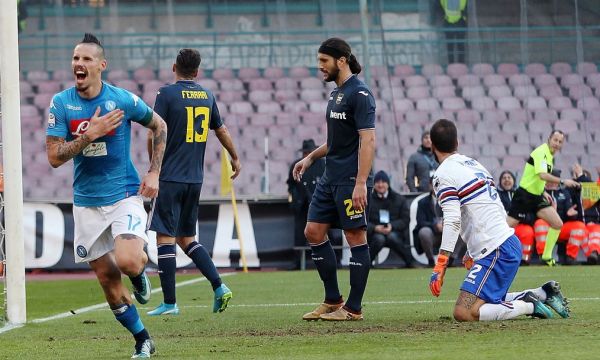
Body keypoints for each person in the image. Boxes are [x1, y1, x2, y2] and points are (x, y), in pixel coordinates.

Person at [46, 33, 167, 358]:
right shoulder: (61, 103)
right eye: (75, 58)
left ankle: (140, 274)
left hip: (124, 194)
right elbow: (55, 158)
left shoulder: (123, 100)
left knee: (127, 261)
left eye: (85, 59)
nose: (78, 64)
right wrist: (89, 135)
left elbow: (160, 126)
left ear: (101, 64)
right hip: (86, 202)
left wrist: (154, 172)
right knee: (107, 279)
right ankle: (143, 339)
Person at [428, 119, 570, 322]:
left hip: (496, 250)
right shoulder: (475, 165)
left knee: (464, 312)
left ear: (432, 146)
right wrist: (472, 249)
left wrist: (441, 262)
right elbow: (492, 207)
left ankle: (529, 306)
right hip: (502, 245)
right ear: (457, 143)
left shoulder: (443, 175)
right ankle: (541, 294)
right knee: (482, 302)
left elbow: (452, 219)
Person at [146, 48, 240, 317]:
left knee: (165, 238)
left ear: (173, 67)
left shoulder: (166, 94)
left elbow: (155, 131)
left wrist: (153, 168)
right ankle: (219, 286)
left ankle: (170, 302)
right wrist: (235, 156)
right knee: (187, 238)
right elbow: (220, 129)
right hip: (194, 179)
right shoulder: (207, 95)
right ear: (197, 72)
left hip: (170, 176)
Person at [293, 37, 375, 321]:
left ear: (342, 61)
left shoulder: (360, 94)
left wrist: (361, 182)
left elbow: (368, 140)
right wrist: (311, 157)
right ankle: (332, 299)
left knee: (355, 236)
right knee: (313, 231)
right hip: (330, 176)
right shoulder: (335, 94)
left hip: (350, 178)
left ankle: (353, 309)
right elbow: (336, 141)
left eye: (324, 61)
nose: (320, 67)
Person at [507, 130, 581, 266]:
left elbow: (537, 179)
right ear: (549, 139)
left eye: (560, 142)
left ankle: (546, 257)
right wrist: (564, 181)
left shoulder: (549, 156)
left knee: (557, 223)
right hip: (524, 196)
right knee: (504, 229)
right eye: (555, 140)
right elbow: (542, 175)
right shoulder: (541, 152)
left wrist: (542, 192)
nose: (557, 144)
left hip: (536, 197)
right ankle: (479, 253)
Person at [533, 169, 586, 265]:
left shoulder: (565, 193)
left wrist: (571, 215)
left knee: (579, 226)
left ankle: (571, 257)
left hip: (561, 227)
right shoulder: (539, 193)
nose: (552, 183)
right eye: (550, 180)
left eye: (554, 180)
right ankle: (543, 256)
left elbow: (569, 212)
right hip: (546, 227)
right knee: (539, 223)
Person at [287, 139, 325, 268]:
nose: (306, 154)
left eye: (309, 152)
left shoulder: (323, 164)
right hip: (301, 206)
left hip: (319, 205)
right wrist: (296, 198)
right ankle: (297, 262)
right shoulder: (295, 165)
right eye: (305, 152)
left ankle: (332, 259)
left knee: (326, 232)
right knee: (299, 234)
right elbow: (291, 184)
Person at [414, 177, 466, 267]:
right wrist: (435, 226)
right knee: (424, 232)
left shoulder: (453, 200)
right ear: (430, 185)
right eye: (436, 184)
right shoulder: (422, 202)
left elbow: (459, 218)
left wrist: (448, 225)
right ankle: (430, 261)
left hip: (450, 233)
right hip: (432, 234)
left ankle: (451, 260)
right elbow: (420, 222)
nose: (438, 187)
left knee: (463, 228)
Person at [366, 170, 414, 268]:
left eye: (383, 182)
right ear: (374, 184)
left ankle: (410, 262)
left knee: (392, 237)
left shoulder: (399, 199)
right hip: (374, 234)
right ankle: (367, 264)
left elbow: (405, 220)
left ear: (388, 184)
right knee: (379, 238)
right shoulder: (368, 200)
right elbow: (364, 220)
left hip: (396, 232)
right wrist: (375, 228)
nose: (380, 185)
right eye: (377, 182)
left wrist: (392, 226)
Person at [497, 170, 536, 265]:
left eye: (509, 178)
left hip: (521, 225)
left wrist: (520, 217)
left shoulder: (522, 194)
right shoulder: (496, 195)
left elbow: (530, 213)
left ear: (513, 180)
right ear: (500, 181)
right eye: (504, 178)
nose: (506, 180)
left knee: (528, 232)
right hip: (503, 227)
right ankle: (504, 261)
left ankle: (525, 260)